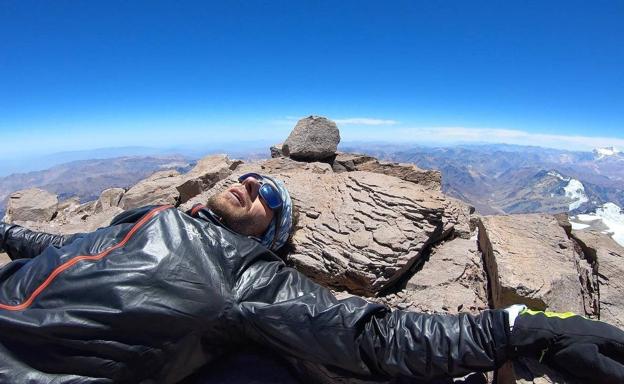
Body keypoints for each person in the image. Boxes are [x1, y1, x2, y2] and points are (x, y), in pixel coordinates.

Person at [0, 172, 623, 384]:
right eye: (250, 179)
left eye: (267, 194)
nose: (249, 181)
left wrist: (517, 325)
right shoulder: (141, 220)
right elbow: (63, 244)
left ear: (265, 236)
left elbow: (370, 337)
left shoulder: (241, 271)